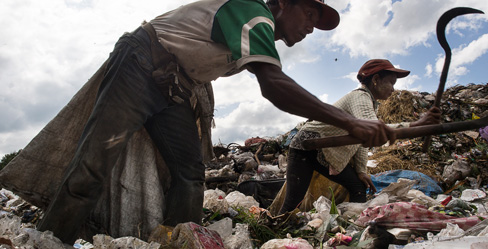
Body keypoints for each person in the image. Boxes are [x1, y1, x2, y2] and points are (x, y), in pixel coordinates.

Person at [37, 0, 397, 244]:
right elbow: (273, 85)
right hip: (142, 63)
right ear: (283, 3)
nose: (311, 27)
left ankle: (180, 241)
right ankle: (50, 239)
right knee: (94, 163)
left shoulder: (258, 34)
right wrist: (349, 123)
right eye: (308, 14)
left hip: (174, 86)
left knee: (190, 174)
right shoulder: (254, 14)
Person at [279, 59, 441, 213]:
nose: (393, 89)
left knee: (358, 185)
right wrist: (417, 124)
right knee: (293, 203)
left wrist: (362, 171)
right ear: (376, 79)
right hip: (305, 147)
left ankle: (354, 223)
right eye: (391, 82)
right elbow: (370, 129)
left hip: (320, 149)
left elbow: (362, 141)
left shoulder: (370, 102)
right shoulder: (360, 96)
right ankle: (275, 232)